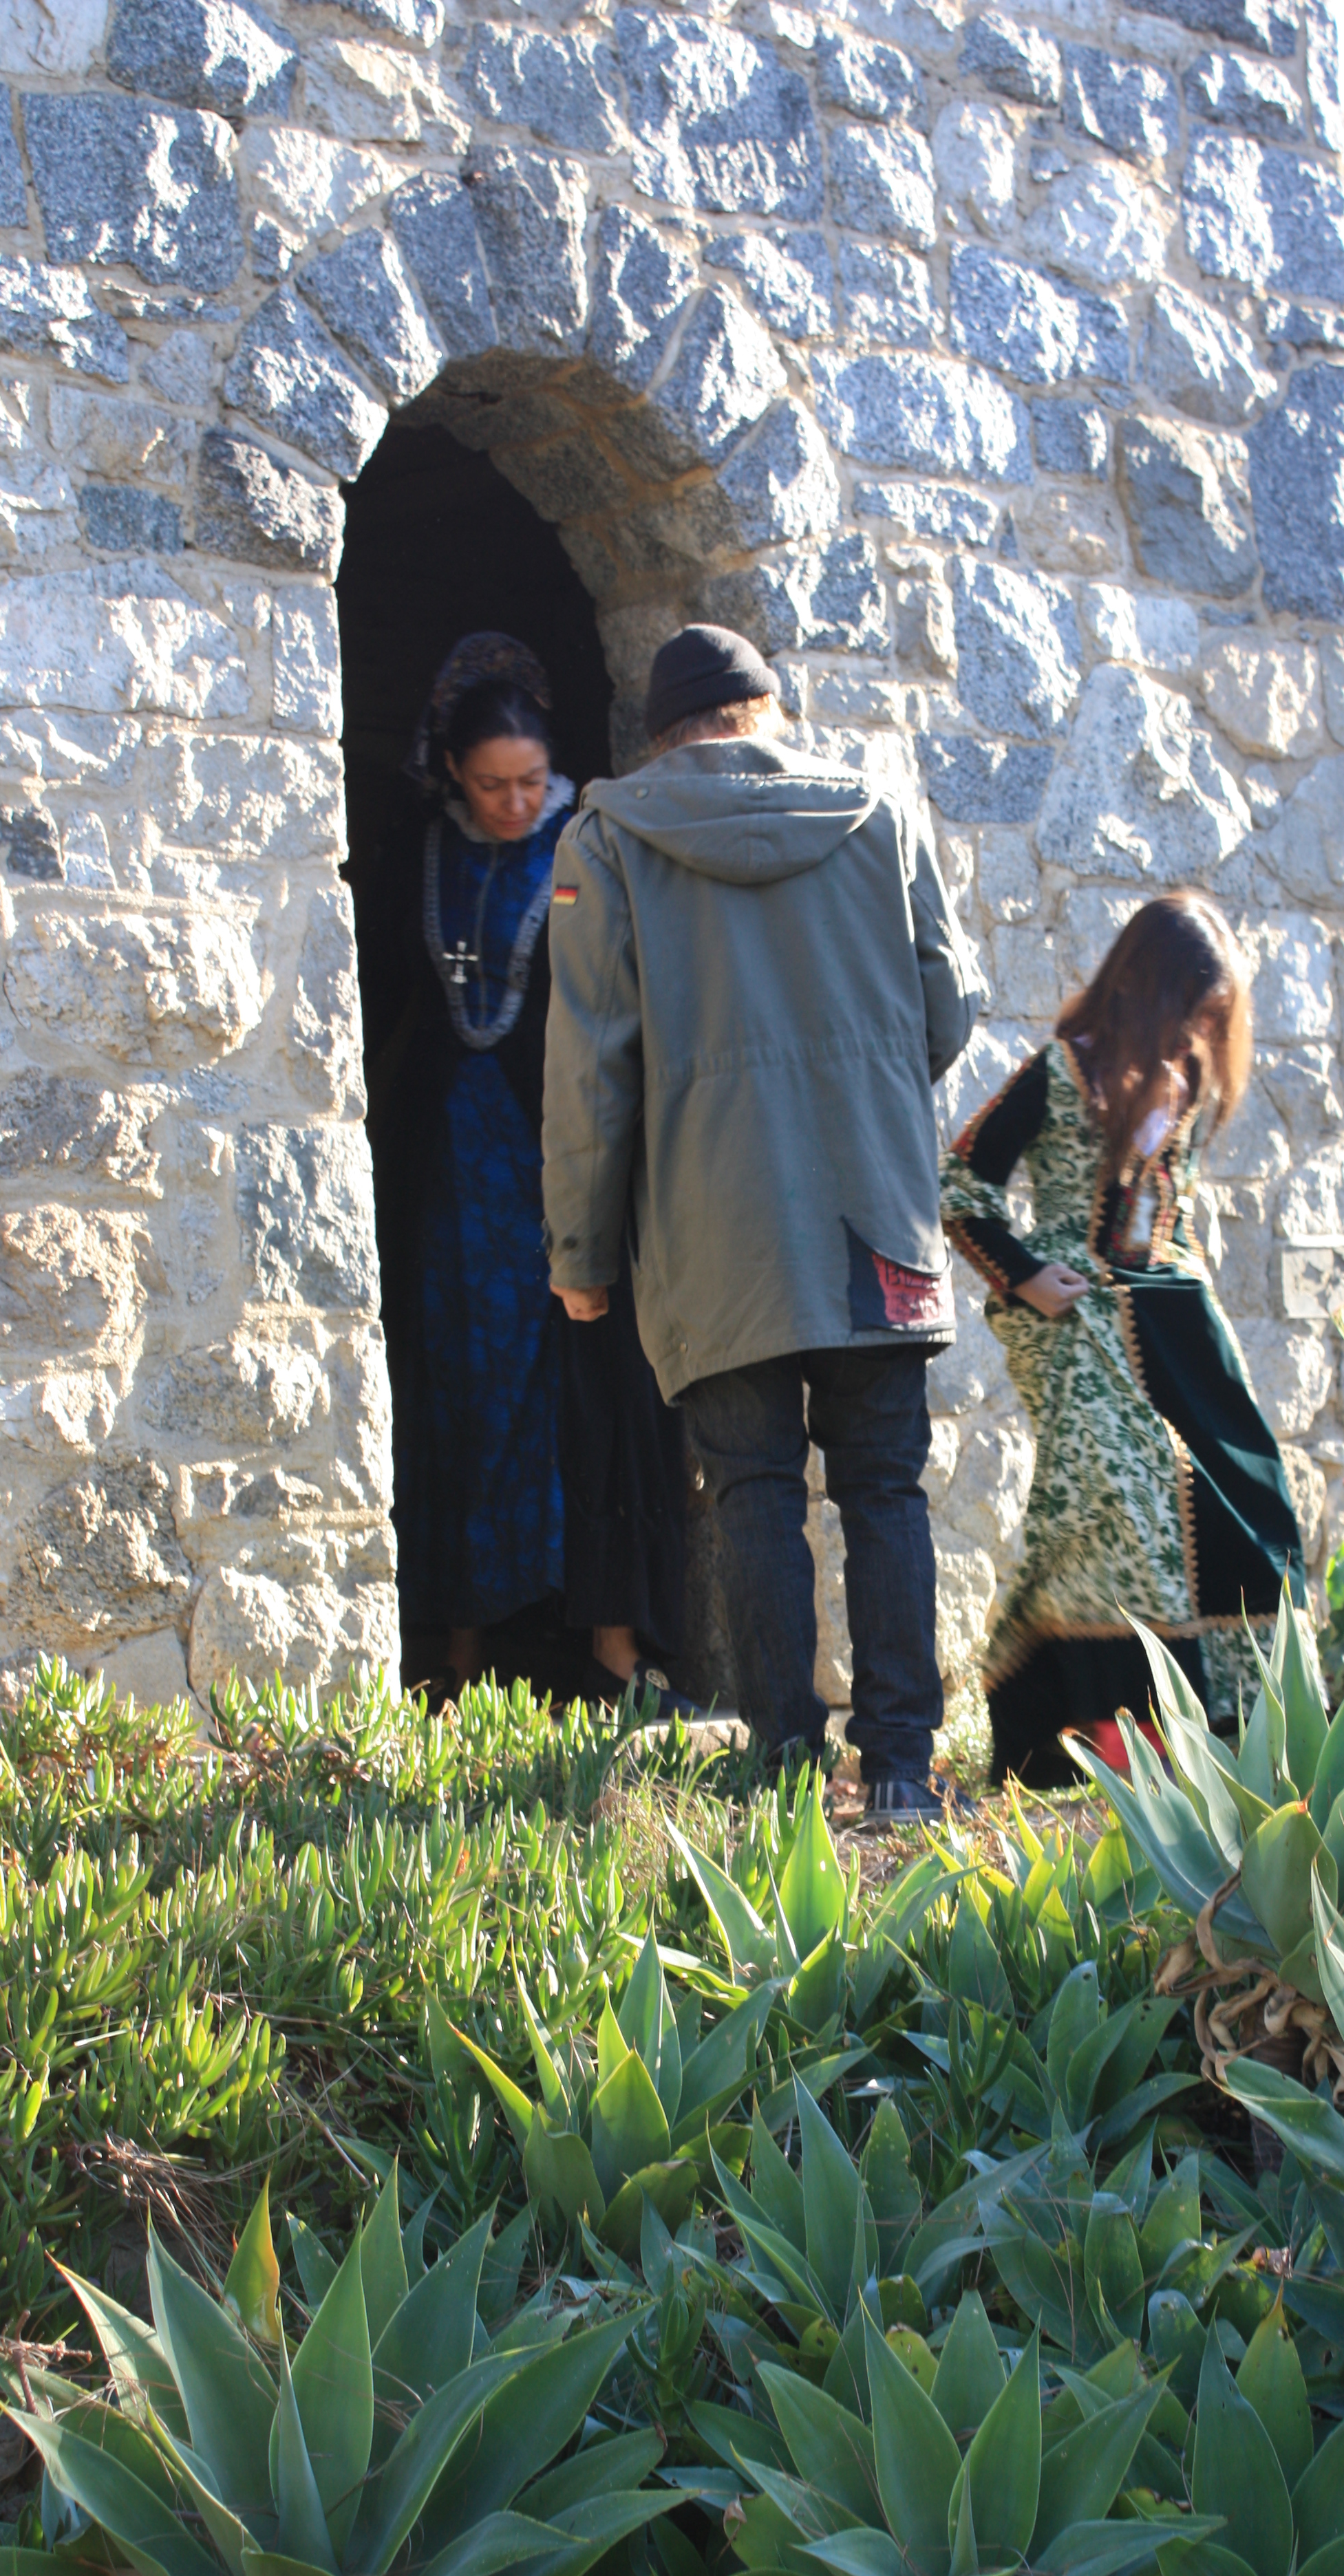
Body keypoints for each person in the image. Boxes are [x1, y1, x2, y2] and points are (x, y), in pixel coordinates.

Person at [542, 623, 980, 1823]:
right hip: (872, 1213)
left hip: (710, 1227)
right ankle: (900, 1768)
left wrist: (579, 1253)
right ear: (770, 711)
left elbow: (593, 1069)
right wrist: (868, 1089)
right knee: (887, 1488)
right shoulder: (881, 820)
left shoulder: (610, 844)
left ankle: (786, 1773)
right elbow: (953, 1009)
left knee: (752, 1494)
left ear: (662, 735)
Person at [361, 632, 687, 1700]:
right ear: (453, 772)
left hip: (567, 1151)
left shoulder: (588, 848)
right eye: (492, 784)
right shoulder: (414, 853)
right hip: (453, 1174)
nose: (512, 802)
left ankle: (610, 1639)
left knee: (587, 1381)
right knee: (461, 1386)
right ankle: (457, 1647)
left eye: (531, 782)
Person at [939, 892, 1306, 1785]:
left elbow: (1157, 1211)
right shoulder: (1064, 1070)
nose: (1197, 1031)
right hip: (1076, 1315)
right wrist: (1025, 1275)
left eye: (1210, 1019)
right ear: (1146, 987)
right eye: (1189, 1009)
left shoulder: (1182, 1076)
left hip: (1174, 1312)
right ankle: (1096, 1747)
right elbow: (960, 1180)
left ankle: (1228, 1743)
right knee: (1125, 1507)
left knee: (1247, 1503)